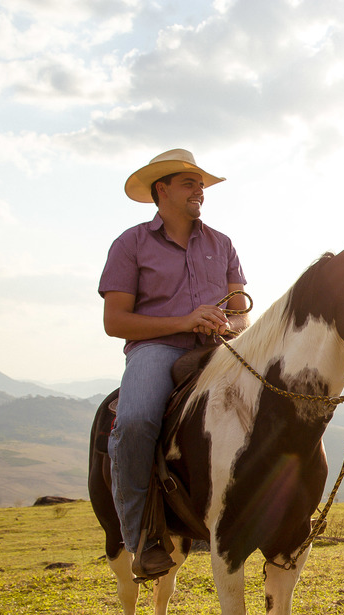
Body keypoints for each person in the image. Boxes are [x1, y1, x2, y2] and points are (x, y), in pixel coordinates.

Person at [98, 149, 249, 580]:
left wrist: (230, 324)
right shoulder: (130, 243)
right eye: (189, 182)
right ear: (160, 190)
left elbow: (242, 312)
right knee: (135, 422)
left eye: (201, 183)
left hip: (220, 349)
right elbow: (115, 321)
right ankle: (143, 538)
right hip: (156, 350)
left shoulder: (222, 244)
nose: (200, 189)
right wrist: (184, 320)